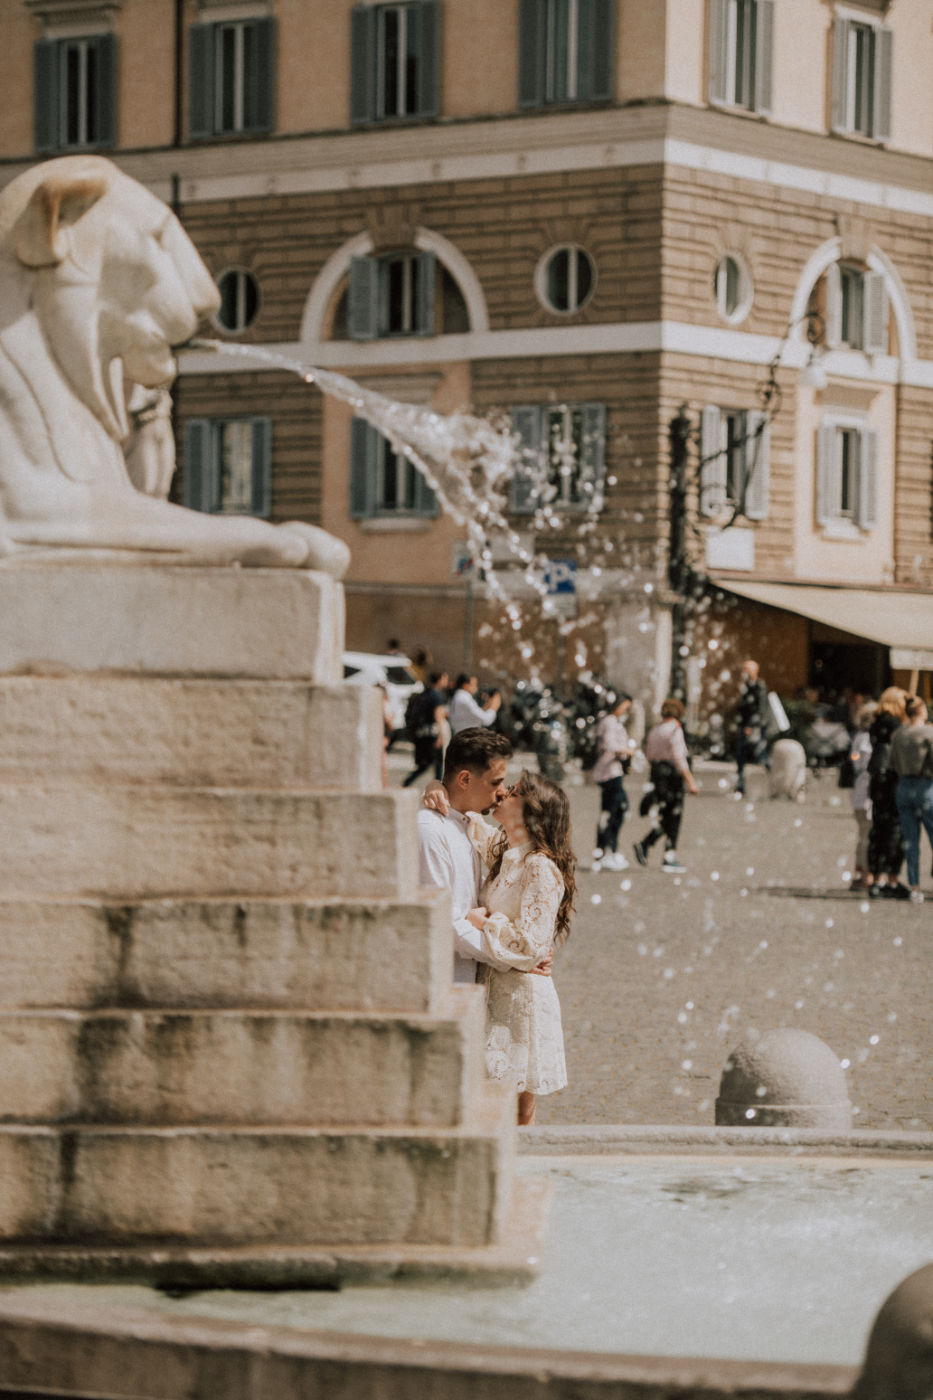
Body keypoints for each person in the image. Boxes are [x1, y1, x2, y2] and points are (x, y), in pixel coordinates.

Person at [428, 769, 575, 1126]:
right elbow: (466, 817)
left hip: (521, 1002)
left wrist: (485, 921)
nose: (502, 794)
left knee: (517, 1114)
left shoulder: (540, 866)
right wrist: (435, 786)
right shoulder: (505, 849)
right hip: (496, 993)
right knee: (490, 1106)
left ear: (532, 809)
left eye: (513, 791)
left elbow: (530, 945)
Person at [416, 727, 514, 984]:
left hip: (467, 976)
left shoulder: (468, 820)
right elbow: (443, 921)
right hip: (443, 980)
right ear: (465, 780)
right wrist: (514, 957)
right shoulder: (430, 831)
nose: (502, 791)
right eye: (495, 782)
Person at [633, 697, 698, 874]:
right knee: (674, 817)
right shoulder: (674, 730)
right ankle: (668, 856)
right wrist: (690, 781)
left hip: (657, 776)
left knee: (665, 815)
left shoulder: (655, 729)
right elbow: (679, 757)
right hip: (672, 777)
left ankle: (646, 843)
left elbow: (649, 754)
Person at [890, 695, 933, 904]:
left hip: (904, 786)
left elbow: (893, 763)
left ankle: (915, 886)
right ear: (921, 711)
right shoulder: (928, 733)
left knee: (910, 841)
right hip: (926, 786)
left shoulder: (899, 734)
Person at [867, 686, 909, 899]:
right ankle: (890, 879)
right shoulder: (896, 725)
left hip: (877, 781)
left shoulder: (876, 723)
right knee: (895, 829)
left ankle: (876, 878)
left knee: (878, 829)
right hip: (893, 779)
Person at [591, 693, 636, 872]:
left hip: (613, 771)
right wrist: (627, 751)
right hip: (608, 772)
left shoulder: (613, 721)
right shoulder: (609, 721)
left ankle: (607, 849)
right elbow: (610, 745)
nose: (626, 710)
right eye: (625, 705)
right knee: (614, 810)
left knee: (617, 809)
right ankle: (605, 851)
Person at [402, 669, 449, 787]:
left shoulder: (425, 693)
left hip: (421, 734)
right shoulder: (437, 695)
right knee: (437, 764)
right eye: (445, 679)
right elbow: (438, 716)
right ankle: (439, 788)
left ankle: (407, 783)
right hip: (432, 734)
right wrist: (441, 736)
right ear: (440, 680)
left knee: (425, 764)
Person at [848, 701, 876, 890]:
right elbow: (861, 762)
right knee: (867, 835)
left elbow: (854, 759)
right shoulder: (866, 739)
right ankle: (866, 874)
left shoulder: (858, 737)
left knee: (862, 835)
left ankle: (860, 872)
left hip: (859, 793)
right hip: (865, 793)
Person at [734, 659, 771, 796]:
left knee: (760, 754)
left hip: (755, 727)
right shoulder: (745, 686)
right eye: (743, 669)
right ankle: (740, 785)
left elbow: (760, 709)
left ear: (755, 671)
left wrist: (751, 725)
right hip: (744, 725)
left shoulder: (759, 686)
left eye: (747, 669)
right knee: (741, 756)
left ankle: (776, 779)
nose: (744, 672)